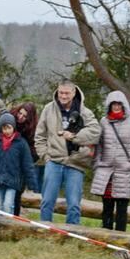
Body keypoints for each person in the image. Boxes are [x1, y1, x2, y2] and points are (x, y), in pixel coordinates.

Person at [35, 78, 100, 224]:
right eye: (61, 93)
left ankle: (71, 232)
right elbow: (39, 136)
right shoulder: (48, 109)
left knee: (74, 205)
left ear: (74, 92)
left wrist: (75, 137)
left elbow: (95, 132)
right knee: (47, 201)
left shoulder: (84, 112)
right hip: (54, 161)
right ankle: (45, 230)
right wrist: (45, 156)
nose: (63, 96)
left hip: (75, 162)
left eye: (66, 93)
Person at [89, 90, 130, 232]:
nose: (116, 107)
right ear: (109, 105)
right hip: (106, 171)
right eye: (113, 104)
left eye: (119, 104)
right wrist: (97, 164)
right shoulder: (104, 121)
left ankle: (121, 240)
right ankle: (105, 237)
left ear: (124, 104)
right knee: (107, 208)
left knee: (122, 209)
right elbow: (99, 144)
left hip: (124, 171)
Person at [0, 113, 38, 221]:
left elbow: (27, 164)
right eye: (4, 128)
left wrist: (32, 183)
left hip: (13, 181)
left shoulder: (21, 143)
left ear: (13, 127)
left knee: (8, 205)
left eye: (9, 128)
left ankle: (8, 225)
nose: (7, 131)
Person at [10, 101, 40, 214]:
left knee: (16, 196)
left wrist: (24, 158)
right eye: (20, 113)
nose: (20, 117)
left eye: (25, 116)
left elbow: (35, 153)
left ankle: (14, 218)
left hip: (21, 167)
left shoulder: (33, 130)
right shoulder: (11, 119)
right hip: (7, 162)